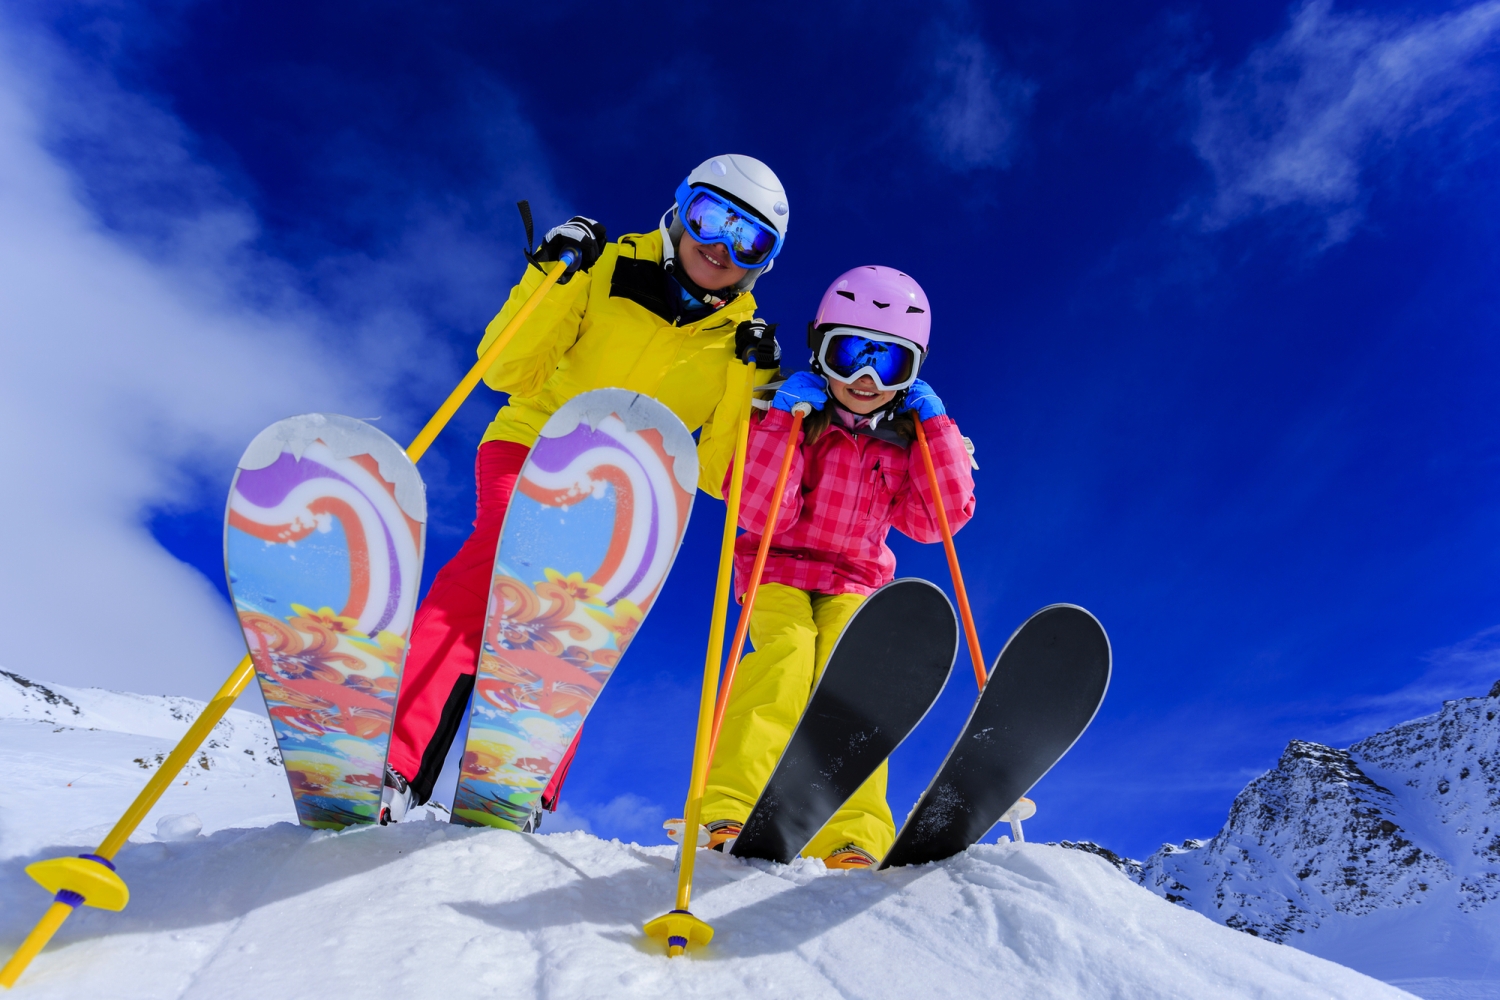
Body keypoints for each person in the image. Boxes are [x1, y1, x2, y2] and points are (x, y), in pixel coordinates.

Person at [381, 155, 789, 825]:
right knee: (493, 575)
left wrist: (751, 384)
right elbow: (508, 368)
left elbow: (717, 477)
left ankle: (518, 784)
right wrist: (554, 273)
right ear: (682, 209)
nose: (720, 246)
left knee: (578, 619)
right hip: (537, 447)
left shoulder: (738, 345)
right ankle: (395, 761)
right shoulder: (605, 266)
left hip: (630, 494)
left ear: (762, 261)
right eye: (712, 218)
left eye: (749, 239)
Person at [698, 265, 976, 868]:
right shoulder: (799, 417)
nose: (866, 378)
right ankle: (731, 803)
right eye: (849, 353)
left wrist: (936, 428)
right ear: (820, 351)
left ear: (913, 374)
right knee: (787, 660)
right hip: (778, 570)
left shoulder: (905, 440)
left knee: (856, 685)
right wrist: (783, 423)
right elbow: (757, 507)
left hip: (856, 580)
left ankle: (852, 832)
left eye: (890, 363)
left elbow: (937, 522)